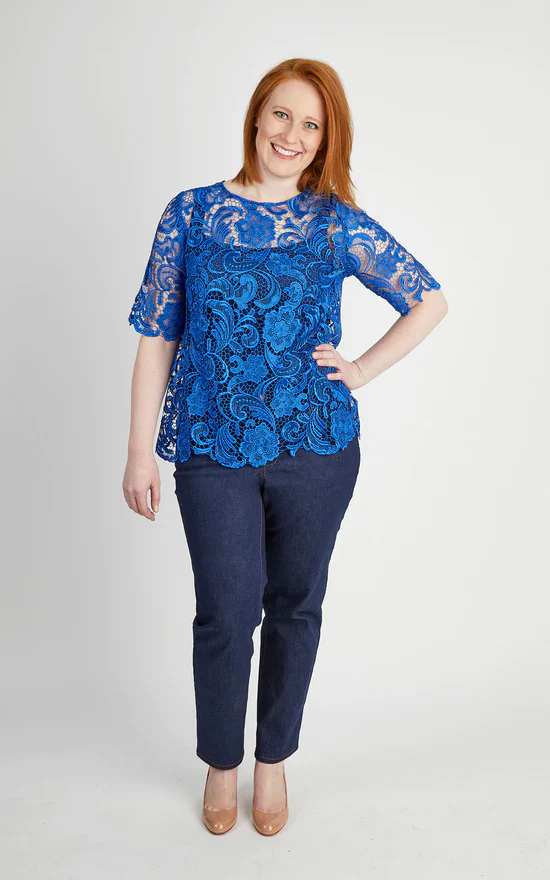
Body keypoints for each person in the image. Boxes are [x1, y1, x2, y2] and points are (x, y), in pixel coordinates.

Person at [122, 57, 448, 836]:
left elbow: (428, 300)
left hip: (316, 447)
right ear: (256, 116)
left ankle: (272, 762)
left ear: (326, 139)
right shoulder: (191, 215)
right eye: (281, 114)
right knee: (226, 612)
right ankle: (221, 763)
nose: (291, 135)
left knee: (296, 606)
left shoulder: (334, 222)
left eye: (311, 124)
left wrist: (360, 369)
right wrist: (138, 451)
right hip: (213, 445)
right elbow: (156, 336)